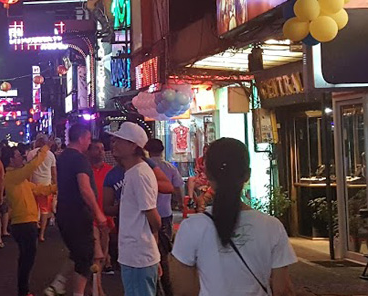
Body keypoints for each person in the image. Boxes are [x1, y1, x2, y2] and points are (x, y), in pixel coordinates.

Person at [170, 138, 297, 296]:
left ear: (208, 174)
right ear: (247, 175)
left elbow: (184, 291)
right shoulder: (272, 226)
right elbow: (283, 289)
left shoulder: (191, 227)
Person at [47, 124, 106, 296]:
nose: (89, 143)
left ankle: (60, 282)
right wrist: (98, 212)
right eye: (88, 139)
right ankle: (75, 292)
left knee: (81, 251)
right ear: (81, 138)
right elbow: (85, 189)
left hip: (65, 213)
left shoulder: (63, 157)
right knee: (85, 256)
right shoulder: (79, 160)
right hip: (78, 214)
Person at [113, 122, 161, 296]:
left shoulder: (140, 174)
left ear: (133, 146)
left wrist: (151, 250)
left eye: (120, 140)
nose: (114, 144)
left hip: (139, 256)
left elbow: (154, 218)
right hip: (134, 255)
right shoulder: (133, 172)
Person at [3, 143, 56, 296]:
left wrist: (55, 187)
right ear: (11, 160)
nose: (22, 158)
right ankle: (23, 290)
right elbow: (32, 166)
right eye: (19, 156)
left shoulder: (19, 178)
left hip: (27, 222)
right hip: (23, 223)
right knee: (27, 258)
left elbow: (39, 189)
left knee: (26, 258)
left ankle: (23, 289)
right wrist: (44, 149)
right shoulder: (13, 176)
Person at [145, 138, 184, 296]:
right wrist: (182, 204)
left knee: (149, 250)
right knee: (164, 250)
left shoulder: (143, 167)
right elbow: (178, 188)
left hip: (147, 214)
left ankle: (154, 286)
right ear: (162, 150)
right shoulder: (169, 167)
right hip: (165, 214)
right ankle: (166, 286)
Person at [87, 139, 114, 277]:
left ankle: (94, 287)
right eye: (97, 148)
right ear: (90, 151)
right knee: (97, 254)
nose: (100, 151)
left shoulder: (110, 171)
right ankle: (96, 289)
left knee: (103, 252)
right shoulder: (85, 171)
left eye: (102, 148)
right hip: (90, 217)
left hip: (106, 217)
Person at [26, 135, 56, 242]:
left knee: (33, 209)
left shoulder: (31, 153)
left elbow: (29, 170)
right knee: (44, 210)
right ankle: (42, 234)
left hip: (33, 184)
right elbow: (53, 172)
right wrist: (55, 186)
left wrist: (28, 184)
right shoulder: (51, 155)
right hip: (46, 185)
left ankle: (33, 231)